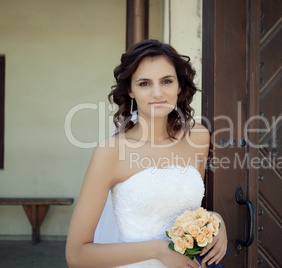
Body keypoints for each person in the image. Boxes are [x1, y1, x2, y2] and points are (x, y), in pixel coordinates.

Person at [65, 39, 228, 268]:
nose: (157, 93)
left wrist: (215, 220)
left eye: (167, 81)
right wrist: (158, 250)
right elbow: (76, 255)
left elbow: (189, 210)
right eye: (144, 83)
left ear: (179, 86)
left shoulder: (198, 138)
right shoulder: (111, 152)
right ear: (130, 90)